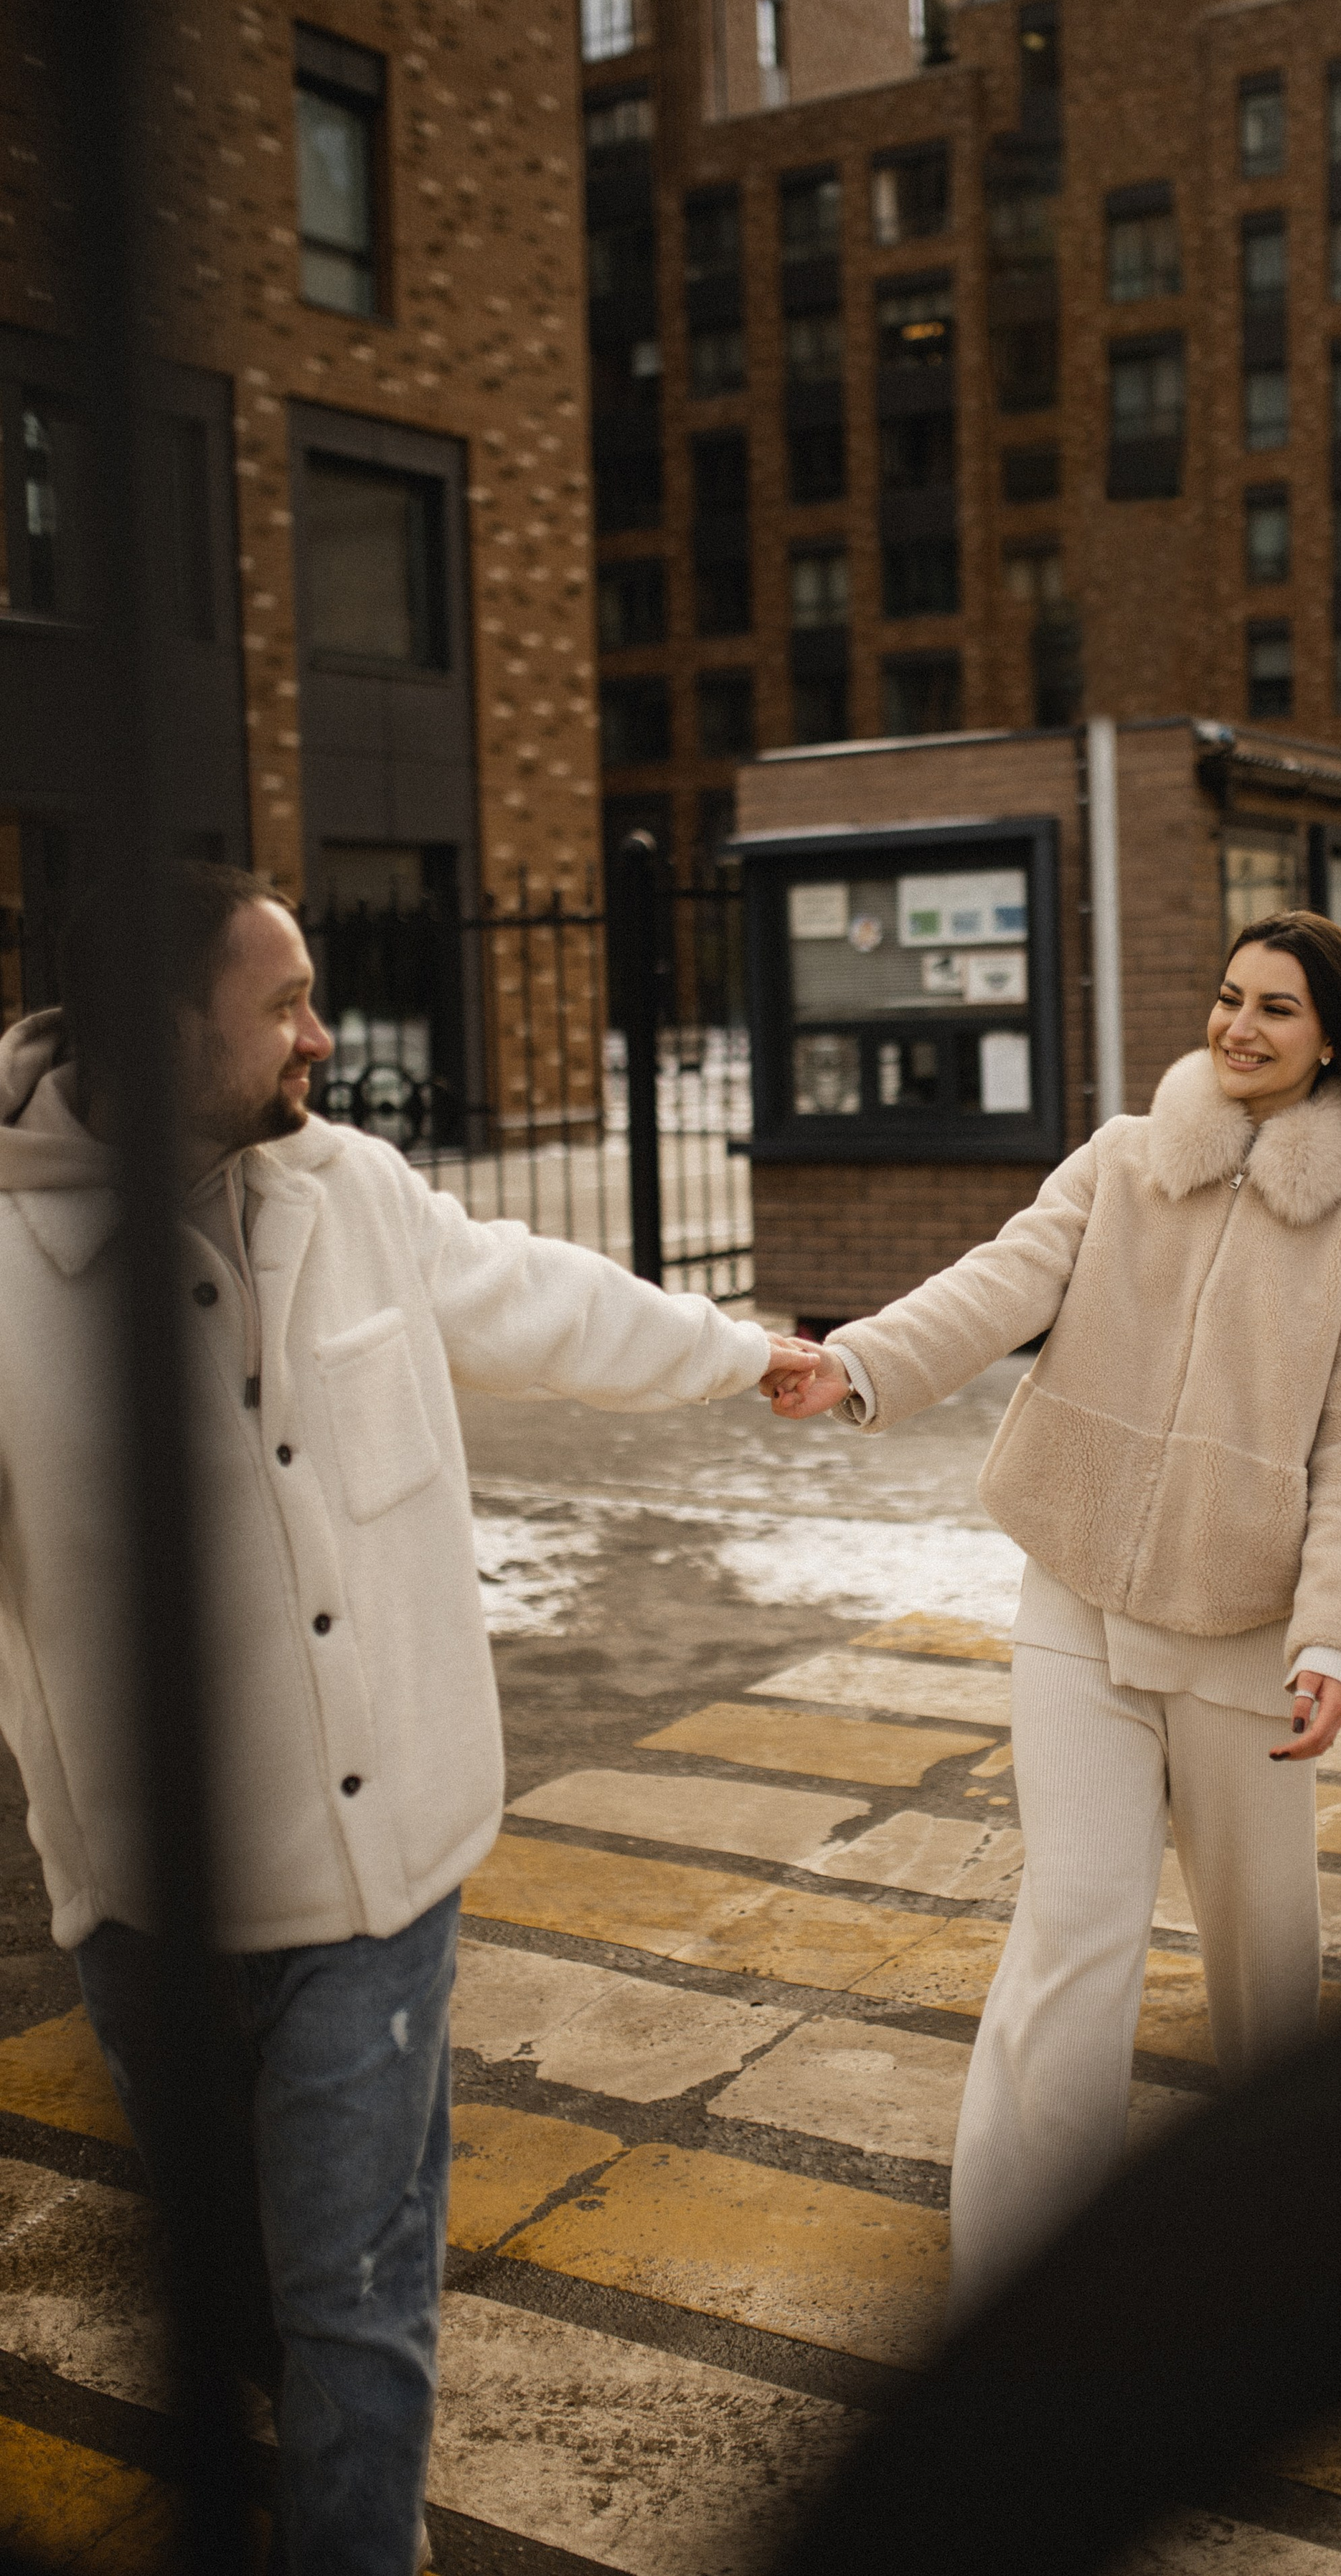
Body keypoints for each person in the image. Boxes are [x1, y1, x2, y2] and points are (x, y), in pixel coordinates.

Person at [0, 862, 817, 2574]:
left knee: (359, 2300)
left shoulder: (347, 1186)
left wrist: (739, 1353)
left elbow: (533, 1293)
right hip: (156, 1903)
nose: (324, 1035)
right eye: (283, 1005)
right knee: (247, 2293)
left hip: (383, 1886)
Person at [766, 911, 1341, 2318]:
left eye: (1274, 1008)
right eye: (1224, 996)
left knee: (1262, 1954)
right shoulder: (1126, 1160)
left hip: (1245, 1636)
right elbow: (998, 1281)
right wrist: (858, 1363)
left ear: (1332, 1039)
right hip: (1073, 1597)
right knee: (1076, 1924)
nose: (1237, 1026)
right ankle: (1017, 2274)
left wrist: (1333, 1641)